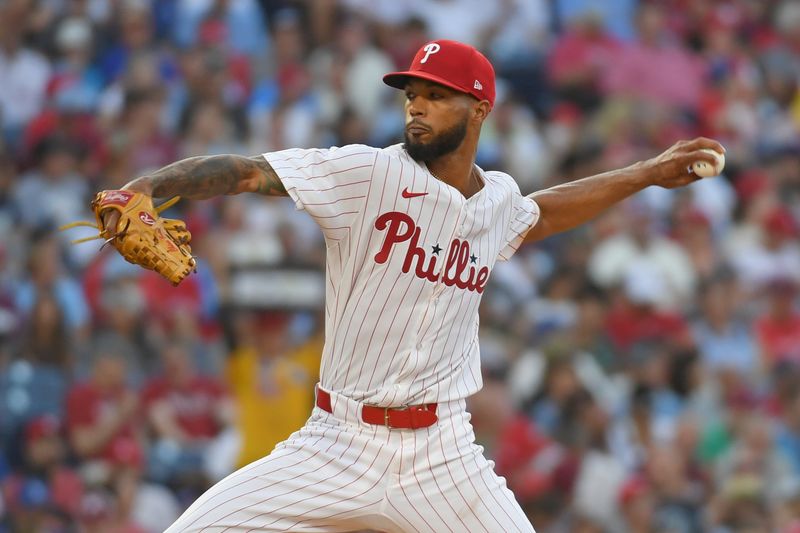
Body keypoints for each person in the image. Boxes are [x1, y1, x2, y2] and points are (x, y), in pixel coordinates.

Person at [99, 39, 724, 532]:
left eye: (435, 95)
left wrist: (643, 173)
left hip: (442, 455)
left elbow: (543, 211)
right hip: (335, 444)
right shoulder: (366, 173)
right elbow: (246, 172)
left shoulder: (497, 200)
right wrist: (149, 187)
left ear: (479, 109)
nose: (416, 106)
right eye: (411, 94)